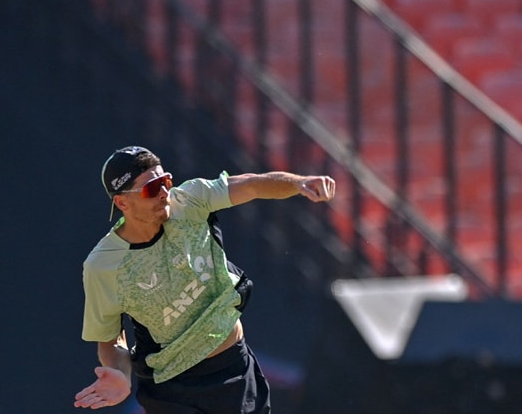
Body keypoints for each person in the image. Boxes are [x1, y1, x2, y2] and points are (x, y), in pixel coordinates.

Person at [74, 146, 336, 413]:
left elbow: (252, 185)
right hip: (173, 390)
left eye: (165, 182)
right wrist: (118, 372)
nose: (165, 194)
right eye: (151, 189)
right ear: (122, 203)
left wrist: (299, 183)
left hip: (234, 370)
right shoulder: (103, 266)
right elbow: (109, 340)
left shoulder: (190, 200)